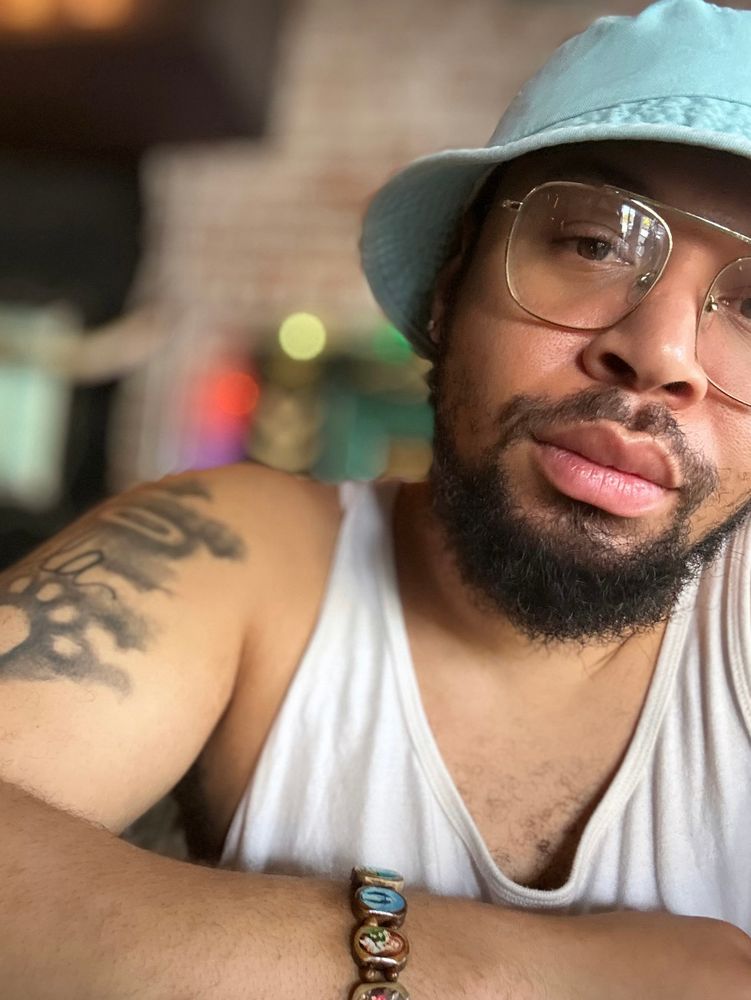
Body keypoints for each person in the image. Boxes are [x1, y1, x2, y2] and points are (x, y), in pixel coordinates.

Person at [3, 0, 751, 995]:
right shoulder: (236, 555)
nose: (658, 354)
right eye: (591, 243)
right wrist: (531, 973)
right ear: (449, 288)